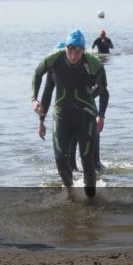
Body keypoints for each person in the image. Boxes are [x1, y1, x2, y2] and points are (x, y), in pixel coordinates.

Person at [31, 29, 109, 198]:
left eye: (78, 51)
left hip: (86, 117)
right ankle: (71, 192)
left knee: (88, 161)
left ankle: (91, 199)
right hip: (62, 116)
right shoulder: (54, 62)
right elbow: (39, 79)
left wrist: (100, 115)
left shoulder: (93, 63)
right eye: (70, 50)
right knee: (60, 159)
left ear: (83, 50)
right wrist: (35, 103)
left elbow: (103, 91)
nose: (74, 55)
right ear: (65, 47)